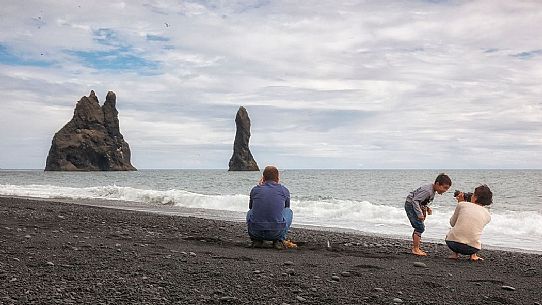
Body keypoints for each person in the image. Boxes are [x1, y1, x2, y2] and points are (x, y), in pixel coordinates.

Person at [246, 165, 297, 249]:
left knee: (250, 212)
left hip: (255, 232)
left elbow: (251, 207)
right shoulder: (284, 190)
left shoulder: (255, 190)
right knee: (288, 211)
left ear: (263, 177)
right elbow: (286, 207)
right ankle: (279, 239)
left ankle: (257, 240)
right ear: (277, 178)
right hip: (276, 233)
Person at [404, 173, 452, 256]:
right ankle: (415, 249)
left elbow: (422, 200)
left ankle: (416, 246)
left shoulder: (432, 190)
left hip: (416, 205)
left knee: (419, 226)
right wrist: (419, 213)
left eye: (447, 189)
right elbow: (415, 200)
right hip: (410, 205)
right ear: (437, 184)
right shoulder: (427, 191)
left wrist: (427, 208)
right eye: (445, 188)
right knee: (420, 227)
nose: (445, 190)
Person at [445, 185, 492, 261]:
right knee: (474, 230)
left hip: (452, 244)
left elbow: (452, 223)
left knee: (454, 230)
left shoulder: (462, 205)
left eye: (473, 194)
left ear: (475, 197)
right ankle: (473, 256)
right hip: (472, 248)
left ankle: (455, 254)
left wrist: (460, 203)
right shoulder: (488, 215)